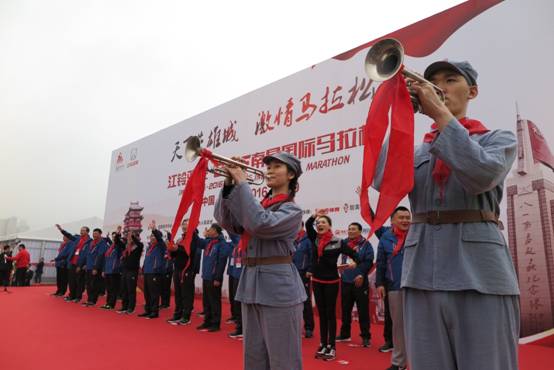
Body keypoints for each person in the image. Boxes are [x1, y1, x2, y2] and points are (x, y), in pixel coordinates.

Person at [373, 61, 520, 369]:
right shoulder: (418, 151)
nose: (440, 87)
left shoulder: (497, 140)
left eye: (451, 80)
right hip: (422, 271)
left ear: (473, 91)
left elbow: (481, 174)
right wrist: (399, 114)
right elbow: (382, 181)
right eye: (432, 81)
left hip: (479, 274)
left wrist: (440, 113)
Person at [215, 151, 306, 370]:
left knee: (283, 359)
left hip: (278, 287)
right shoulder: (258, 207)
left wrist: (243, 184)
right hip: (251, 283)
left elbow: (260, 224)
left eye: (277, 166)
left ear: (291, 175)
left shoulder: (292, 210)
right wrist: (229, 185)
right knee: (254, 357)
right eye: (269, 166)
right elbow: (224, 220)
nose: (270, 170)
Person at [305, 211, 359, 360]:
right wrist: (314, 216)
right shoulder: (314, 239)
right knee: (321, 314)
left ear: (329, 226)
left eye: (323, 222)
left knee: (330, 314)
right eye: (319, 223)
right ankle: (323, 343)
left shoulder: (338, 241)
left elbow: (356, 256)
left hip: (332, 282)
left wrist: (354, 263)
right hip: (317, 281)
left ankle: (332, 346)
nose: (320, 224)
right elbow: (308, 225)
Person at [375, 207, 411, 370]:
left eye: (407, 217)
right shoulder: (386, 238)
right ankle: (399, 362)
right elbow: (381, 264)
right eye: (401, 217)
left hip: (418, 287)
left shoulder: (417, 234)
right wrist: (380, 284)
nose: (405, 220)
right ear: (392, 221)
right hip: (395, 286)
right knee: (398, 326)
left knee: (423, 325)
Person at [336, 222, 374, 347]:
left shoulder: (366, 244)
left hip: (360, 281)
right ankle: (345, 334)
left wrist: (361, 273)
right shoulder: (343, 243)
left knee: (363, 310)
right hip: (346, 280)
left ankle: (365, 337)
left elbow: (368, 262)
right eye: (349, 229)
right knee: (345, 310)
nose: (351, 231)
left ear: (359, 231)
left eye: (353, 229)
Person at [166, 219, 202, 325]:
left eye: (186, 224)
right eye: (183, 224)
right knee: (178, 293)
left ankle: (186, 317)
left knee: (186, 294)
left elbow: (189, 251)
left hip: (187, 269)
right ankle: (177, 315)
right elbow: (175, 254)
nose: (184, 225)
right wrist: (172, 250)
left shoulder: (193, 238)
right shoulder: (181, 239)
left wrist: (177, 248)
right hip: (177, 269)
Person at [195, 223, 228, 333]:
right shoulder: (208, 242)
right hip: (206, 276)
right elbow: (198, 242)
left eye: (210, 229)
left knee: (214, 301)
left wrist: (218, 278)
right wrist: (193, 230)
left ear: (215, 231)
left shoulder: (222, 244)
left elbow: (221, 263)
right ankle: (207, 321)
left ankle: (215, 323)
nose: (208, 230)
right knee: (207, 301)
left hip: (214, 278)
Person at [138, 220, 167, 319]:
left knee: (154, 293)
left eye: (154, 237)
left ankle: (154, 312)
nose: (152, 238)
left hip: (155, 273)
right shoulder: (149, 247)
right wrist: (143, 269)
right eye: (151, 237)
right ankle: (148, 310)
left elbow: (159, 237)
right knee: (147, 293)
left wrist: (154, 230)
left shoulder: (161, 246)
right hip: (147, 272)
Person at [57, 224, 91, 303]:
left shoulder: (89, 241)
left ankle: (78, 297)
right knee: (71, 280)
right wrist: (61, 230)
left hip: (80, 264)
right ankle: (71, 295)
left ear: (87, 232)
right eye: (81, 230)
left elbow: (87, 255)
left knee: (79, 281)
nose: (81, 231)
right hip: (72, 262)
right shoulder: (78, 238)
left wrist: (82, 265)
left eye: (83, 230)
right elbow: (69, 235)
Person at [292, 221, 314, 339]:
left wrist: (310, 269)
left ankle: (309, 327)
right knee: (291, 302)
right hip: (290, 274)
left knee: (305, 301)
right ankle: (294, 326)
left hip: (303, 273)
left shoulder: (308, 239)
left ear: (301, 226)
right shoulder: (290, 239)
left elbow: (313, 256)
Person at [79, 228, 109, 307]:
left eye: (96, 233)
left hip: (95, 268)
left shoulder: (102, 243)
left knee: (94, 284)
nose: (94, 235)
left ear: (100, 234)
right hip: (88, 267)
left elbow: (100, 256)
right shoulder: (91, 243)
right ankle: (89, 299)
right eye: (93, 233)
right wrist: (85, 264)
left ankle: (93, 300)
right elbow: (88, 255)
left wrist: (95, 268)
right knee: (88, 284)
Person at [117, 230, 143, 314]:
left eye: (131, 236)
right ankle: (124, 306)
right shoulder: (126, 246)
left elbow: (137, 243)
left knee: (131, 290)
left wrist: (132, 236)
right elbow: (117, 241)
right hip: (125, 270)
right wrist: (118, 233)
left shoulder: (139, 246)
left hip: (132, 270)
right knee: (124, 289)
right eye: (128, 236)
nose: (129, 238)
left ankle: (131, 308)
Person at [100, 228, 125, 310]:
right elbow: (106, 259)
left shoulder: (119, 247)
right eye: (113, 237)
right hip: (107, 270)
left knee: (113, 289)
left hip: (114, 271)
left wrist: (118, 234)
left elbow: (118, 242)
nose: (114, 238)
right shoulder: (110, 247)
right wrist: (104, 270)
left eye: (115, 237)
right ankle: (107, 303)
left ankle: (111, 304)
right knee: (108, 289)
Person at [226, 233, 244, 338]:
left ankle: (241, 328)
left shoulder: (245, 240)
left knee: (241, 304)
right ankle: (239, 325)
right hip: (235, 274)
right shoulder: (238, 242)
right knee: (236, 302)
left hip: (243, 276)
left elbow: (232, 234)